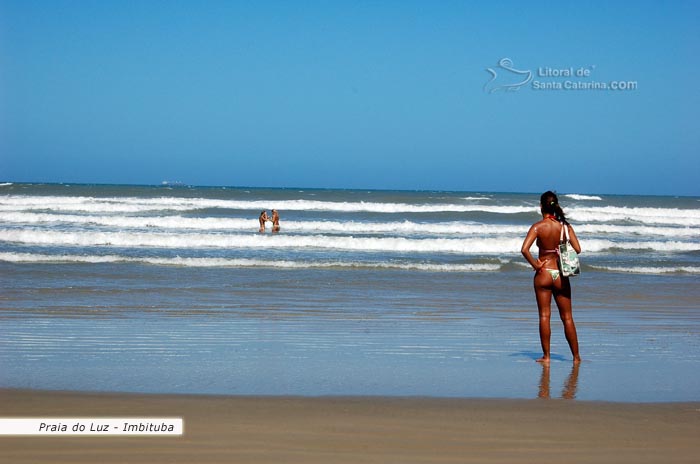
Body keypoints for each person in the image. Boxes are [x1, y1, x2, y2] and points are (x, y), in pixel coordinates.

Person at [521, 191, 581, 365]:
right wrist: (563, 243)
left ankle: (547, 356)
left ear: (541, 206)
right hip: (560, 273)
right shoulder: (565, 227)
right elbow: (577, 249)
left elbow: (524, 249)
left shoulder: (538, 227)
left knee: (544, 316)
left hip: (544, 273)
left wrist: (535, 264)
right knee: (567, 317)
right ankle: (576, 357)